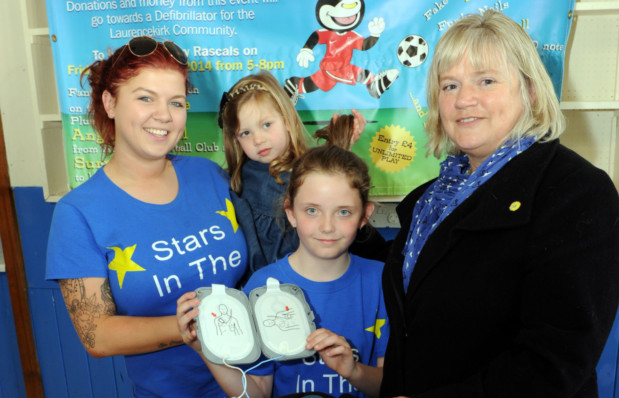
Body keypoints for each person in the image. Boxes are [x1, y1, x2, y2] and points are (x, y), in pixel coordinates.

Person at [379, 10, 619, 397]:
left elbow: (553, 362)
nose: (464, 100)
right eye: (449, 86)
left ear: (530, 91)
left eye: (487, 80)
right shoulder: (428, 202)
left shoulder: (576, 194)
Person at [45, 36, 248, 397]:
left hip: (261, 381)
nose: (164, 115)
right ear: (110, 103)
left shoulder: (209, 176)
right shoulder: (78, 213)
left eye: (176, 102)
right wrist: (183, 328)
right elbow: (96, 335)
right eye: (145, 98)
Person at [177, 134, 388, 398]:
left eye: (343, 212)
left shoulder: (381, 282)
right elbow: (255, 394)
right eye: (312, 210)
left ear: (364, 216)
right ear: (291, 213)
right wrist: (205, 349)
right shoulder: (262, 288)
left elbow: (391, 387)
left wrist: (353, 370)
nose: (327, 226)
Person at [217, 71, 371, 275]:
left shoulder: (299, 169)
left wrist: (340, 149)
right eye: (246, 133)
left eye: (266, 125)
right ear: (235, 139)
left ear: (287, 121)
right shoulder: (252, 180)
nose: (258, 139)